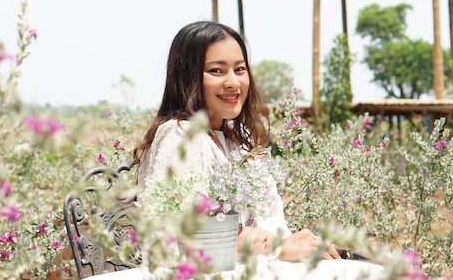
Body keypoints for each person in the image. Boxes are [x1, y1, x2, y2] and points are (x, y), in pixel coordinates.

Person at [132, 21, 384, 277]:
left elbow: (272, 223)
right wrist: (243, 249)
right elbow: (162, 247)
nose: (233, 82)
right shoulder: (180, 138)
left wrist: (296, 245)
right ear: (187, 77)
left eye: (239, 69)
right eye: (217, 71)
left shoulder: (240, 141)